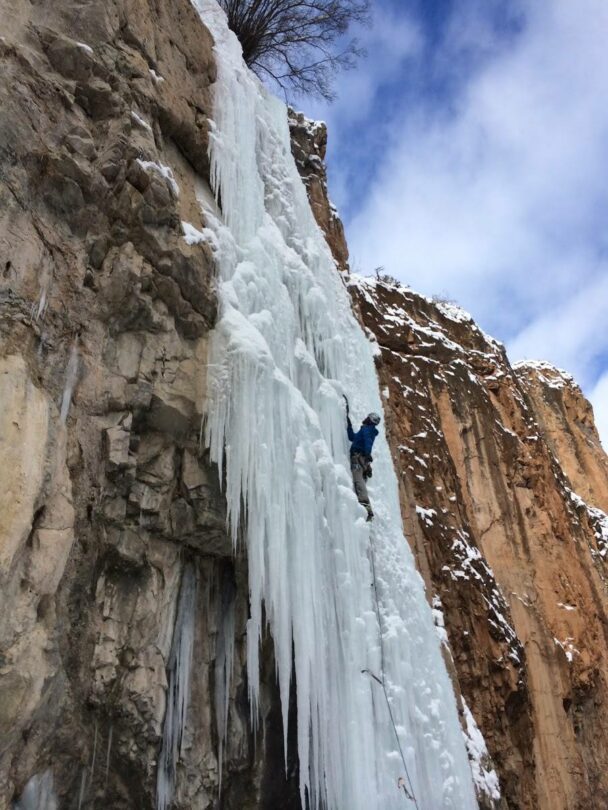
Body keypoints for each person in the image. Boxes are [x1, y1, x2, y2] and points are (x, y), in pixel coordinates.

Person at [345, 399, 380, 521]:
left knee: (358, 480)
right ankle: (364, 503)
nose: (365, 418)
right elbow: (352, 438)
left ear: (370, 420)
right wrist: (348, 425)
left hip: (358, 457)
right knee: (360, 481)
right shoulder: (365, 430)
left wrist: (367, 452)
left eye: (368, 417)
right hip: (362, 458)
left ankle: (366, 507)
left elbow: (367, 443)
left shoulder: (367, 430)